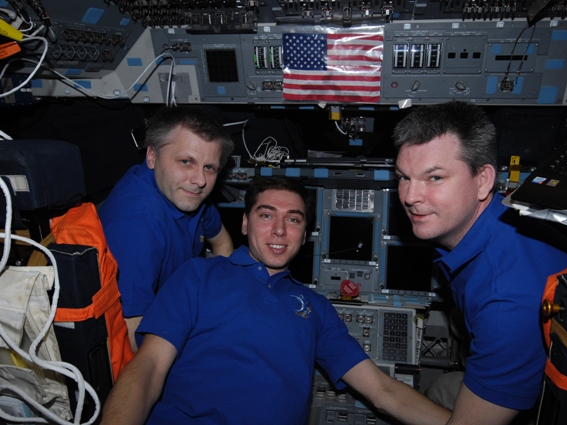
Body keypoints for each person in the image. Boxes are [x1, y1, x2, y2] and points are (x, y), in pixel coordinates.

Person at [99, 176, 451, 425]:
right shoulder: (198, 275)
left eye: (293, 219)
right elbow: (148, 368)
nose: (279, 230)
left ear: (304, 233)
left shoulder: (316, 308)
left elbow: (384, 391)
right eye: (266, 215)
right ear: (245, 223)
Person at [392, 100, 567, 425]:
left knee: (437, 391)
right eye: (403, 177)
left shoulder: (505, 302)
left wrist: (379, 390)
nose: (410, 196)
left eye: (434, 177)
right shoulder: (504, 218)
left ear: (483, 180)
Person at [98, 106, 235, 352]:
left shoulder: (186, 193)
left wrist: (214, 299)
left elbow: (222, 243)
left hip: (177, 306)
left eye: (209, 168)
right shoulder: (138, 225)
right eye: (186, 162)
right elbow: (132, 335)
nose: (200, 181)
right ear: (152, 156)